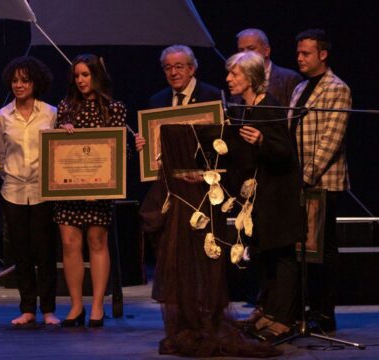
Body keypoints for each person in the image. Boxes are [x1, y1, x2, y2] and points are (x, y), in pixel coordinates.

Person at [225, 51, 303, 342]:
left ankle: (284, 318)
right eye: (230, 73)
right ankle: (268, 311)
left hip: (277, 196)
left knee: (281, 255)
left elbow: (285, 153)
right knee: (262, 255)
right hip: (254, 197)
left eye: (235, 74)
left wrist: (262, 140)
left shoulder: (270, 106)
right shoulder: (242, 109)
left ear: (251, 78)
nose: (229, 79)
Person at [135, 46, 220, 301]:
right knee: (172, 241)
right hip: (171, 186)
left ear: (192, 68)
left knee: (201, 241)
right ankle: (178, 296)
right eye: (168, 68)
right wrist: (143, 144)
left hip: (202, 186)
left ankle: (205, 296)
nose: (173, 73)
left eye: (179, 66)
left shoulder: (212, 96)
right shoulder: (158, 100)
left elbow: (219, 142)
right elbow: (156, 142)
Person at [55, 54, 127, 327]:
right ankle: (76, 306)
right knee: (70, 244)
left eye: (86, 74)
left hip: (100, 189)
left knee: (97, 242)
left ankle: (97, 306)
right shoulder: (66, 107)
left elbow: (121, 151)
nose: (81, 80)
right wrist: (64, 132)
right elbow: (56, 150)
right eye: (77, 75)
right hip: (69, 189)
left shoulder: (114, 108)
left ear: (97, 75)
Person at [289, 29, 352, 332]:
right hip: (300, 181)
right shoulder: (300, 88)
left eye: (306, 53)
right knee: (302, 250)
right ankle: (304, 309)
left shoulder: (337, 88)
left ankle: (325, 314)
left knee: (322, 251)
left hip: (323, 182)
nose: (300, 58)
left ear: (323, 55)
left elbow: (332, 138)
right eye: (299, 53)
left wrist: (306, 175)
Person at [0, 56, 59, 326]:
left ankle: (48, 309)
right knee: (21, 252)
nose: (19, 85)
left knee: (45, 252)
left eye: (25, 80)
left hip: (43, 192)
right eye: (15, 81)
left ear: (36, 82)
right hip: (12, 190)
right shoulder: (2, 116)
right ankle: (27, 308)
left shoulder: (51, 113)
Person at [236, 28, 303, 106]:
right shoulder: (237, 81)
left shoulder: (290, 79)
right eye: (241, 50)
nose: (245, 54)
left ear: (266, 51)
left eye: (251, 49)